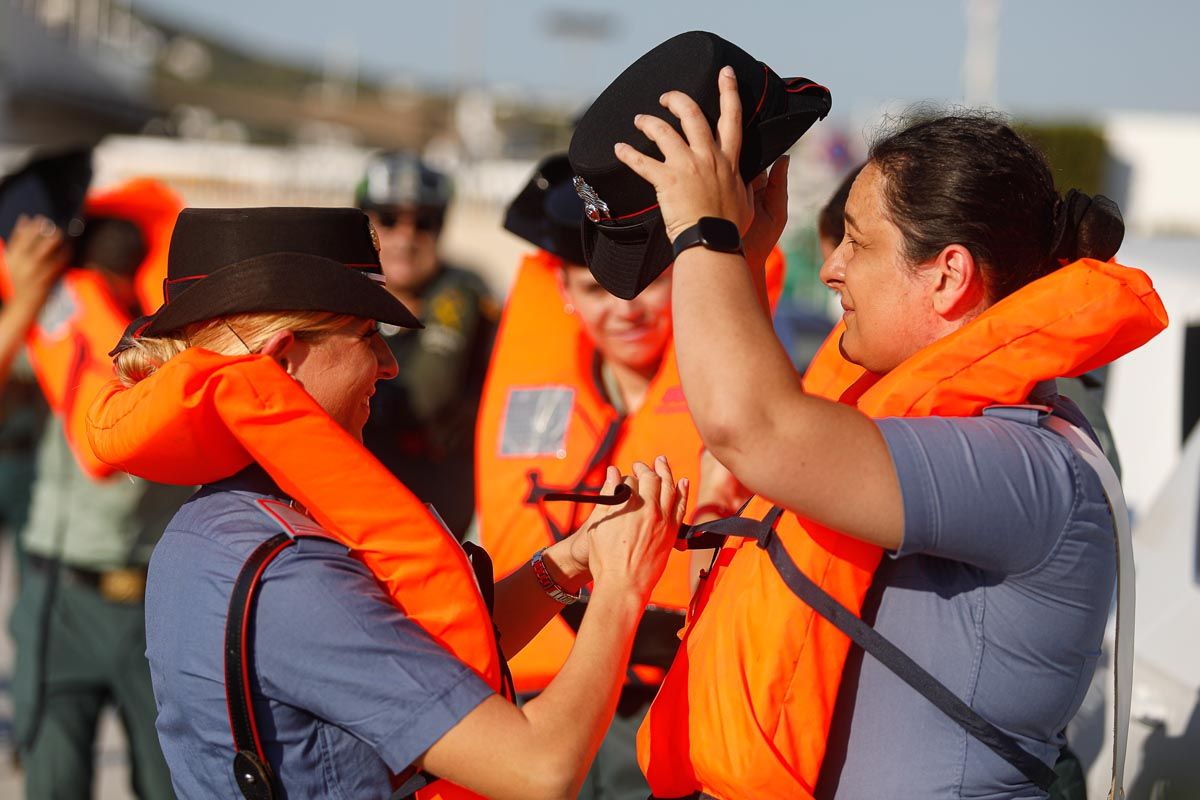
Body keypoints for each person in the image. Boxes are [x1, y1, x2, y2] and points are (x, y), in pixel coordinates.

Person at [601, 58, 1165, 799]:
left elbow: (757, 430)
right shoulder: (930, 420)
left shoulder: (1030, 466)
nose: (831, 268)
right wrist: (739, 256)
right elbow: (767, 429)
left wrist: (703, 233)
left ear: (947, 276)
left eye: (858, 243)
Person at [88, 206, 686, 800]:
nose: (390, 363)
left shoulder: (215, 521)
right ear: (281, 359)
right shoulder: (293, 572)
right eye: (368, 336)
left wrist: (573, 562)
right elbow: (539, 767)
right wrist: (621, 587)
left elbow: (412, 664)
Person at [481, 153, 769, 799]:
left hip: (675, 699)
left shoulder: (742, 395)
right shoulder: (522, 381)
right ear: (563, 292)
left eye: (647, 285)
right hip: (537, 690)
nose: (624, 310)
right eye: (594, 288)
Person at [1, 178, 188, 799]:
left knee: (173, 787)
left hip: (158, 604)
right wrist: (25, 303)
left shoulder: (186, 339)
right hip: (62, 593)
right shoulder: (60, 327)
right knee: (52, 784)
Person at [356, 151, 497, 539]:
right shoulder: (331, 300)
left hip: (434, 517)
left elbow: (425, 398)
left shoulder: (466, 299)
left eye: (424, 223)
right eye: (387, 219)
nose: (406, 237)